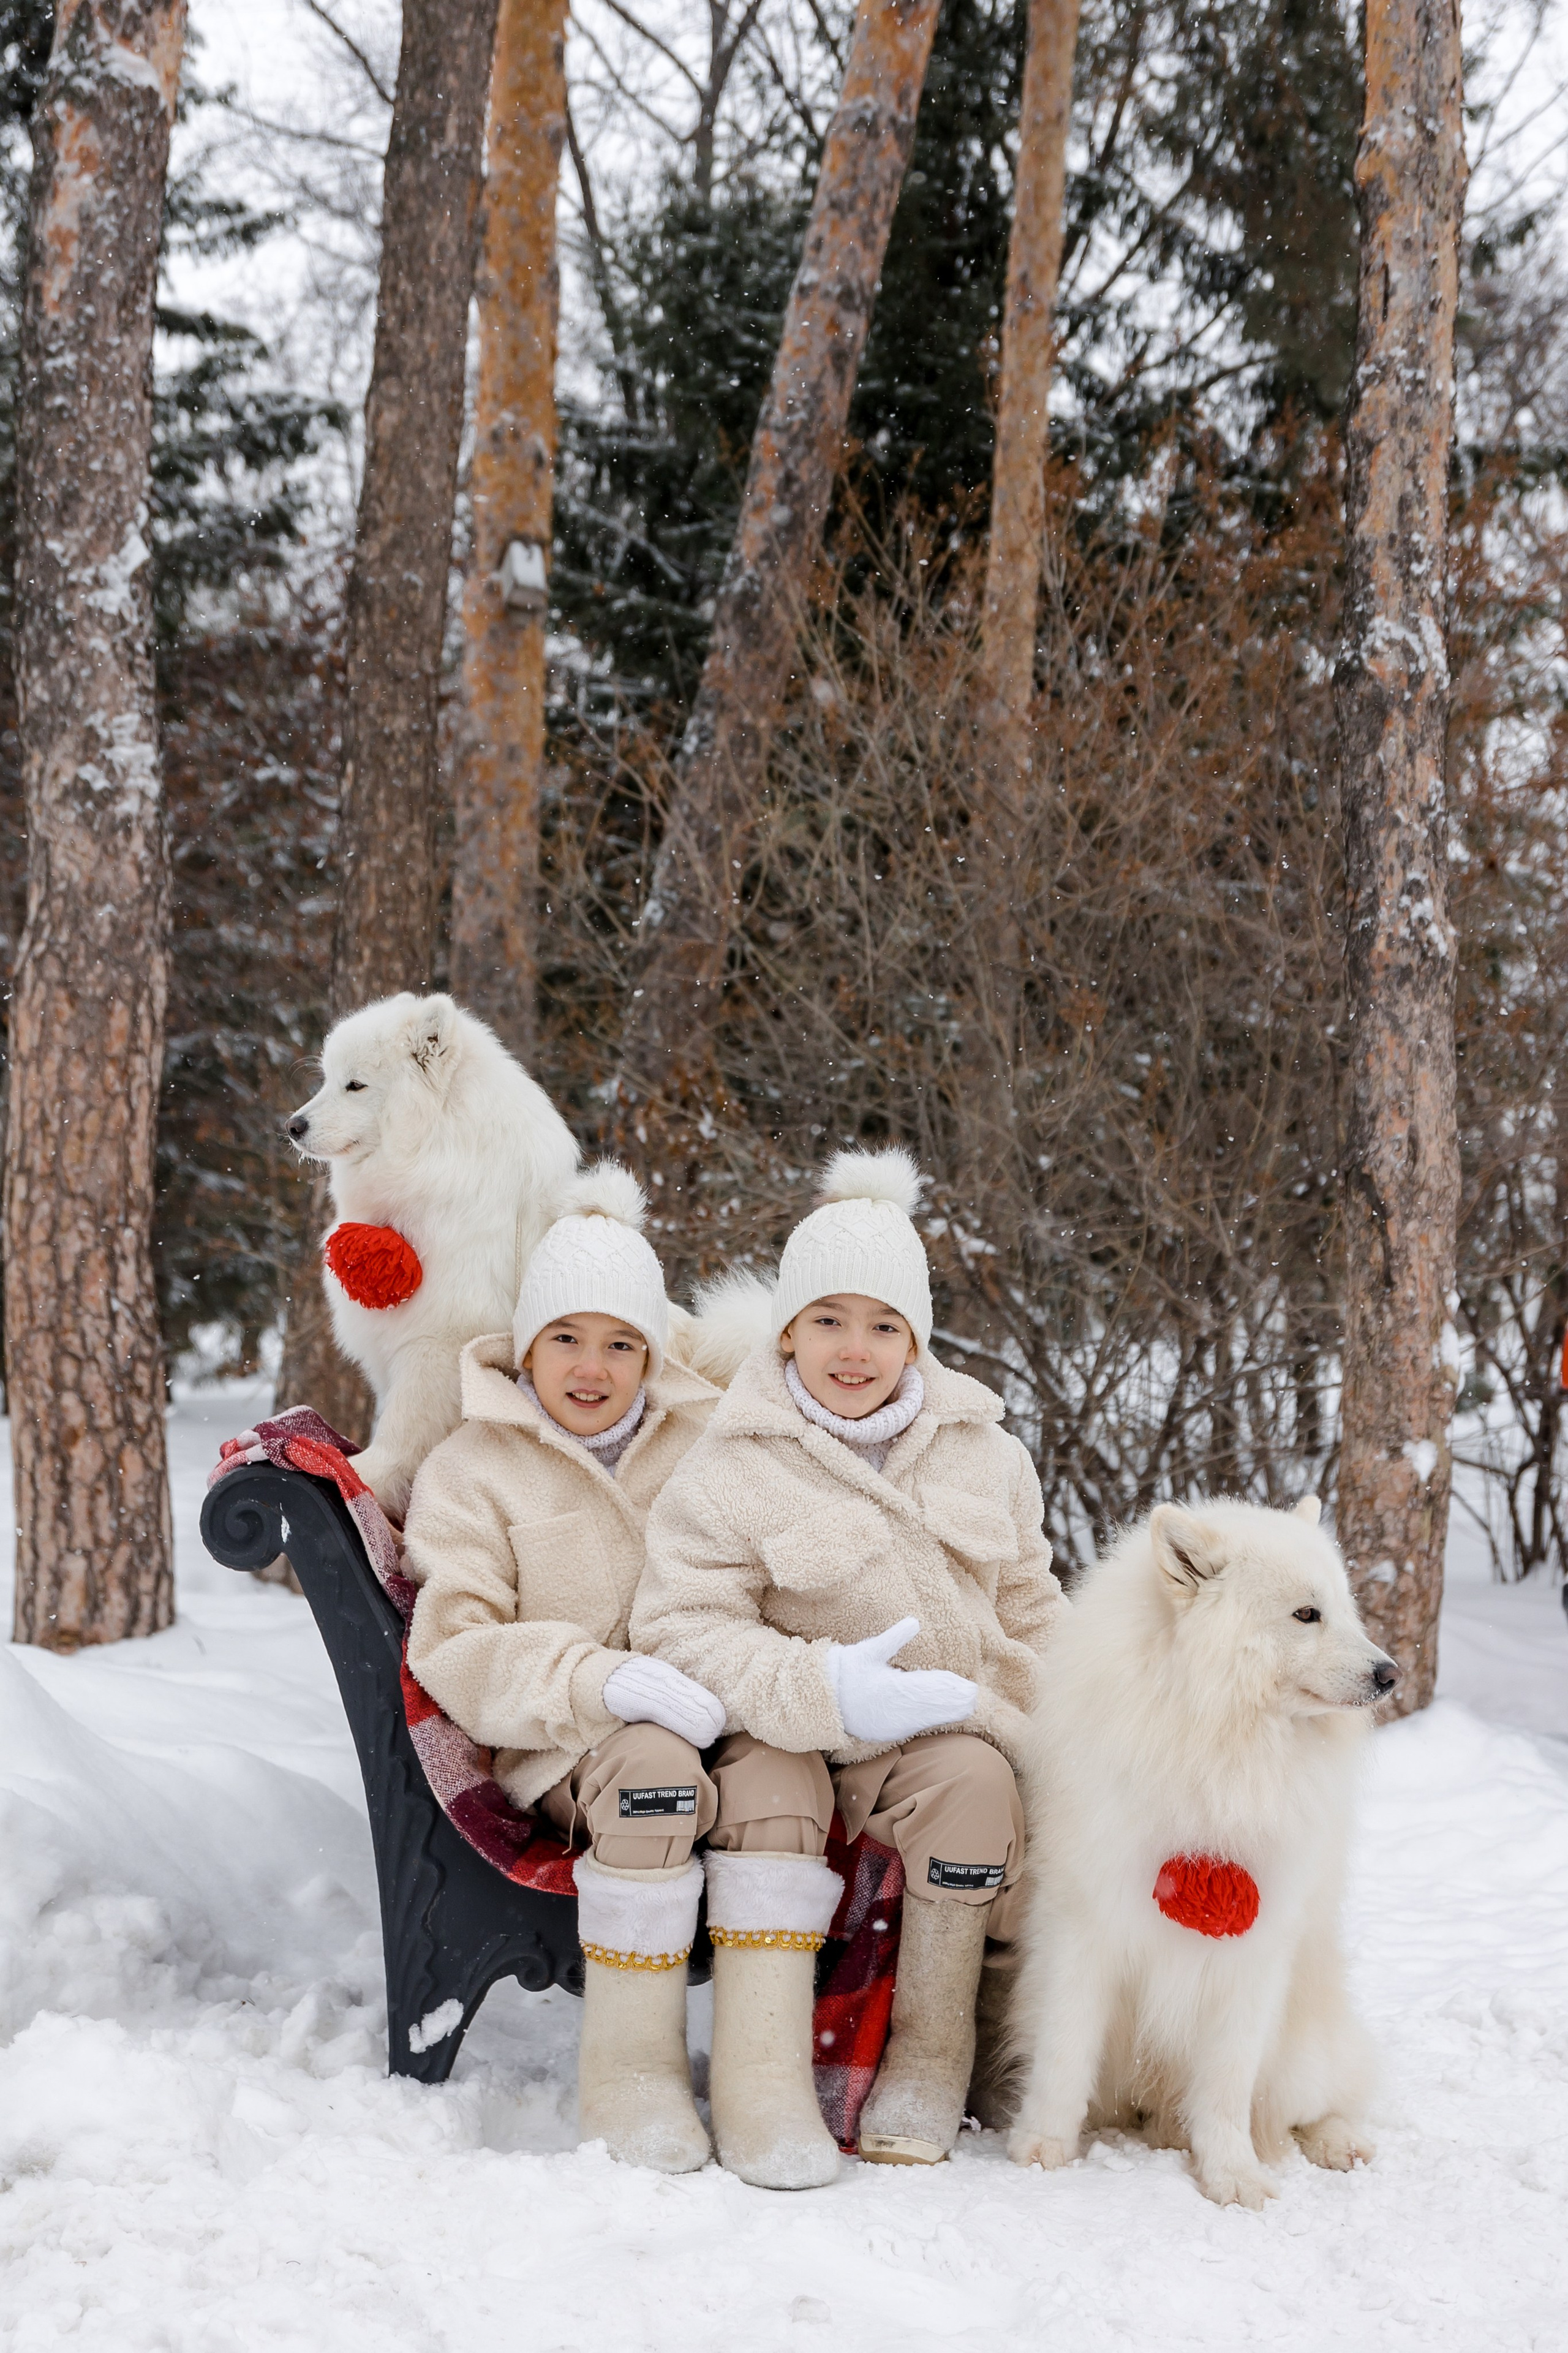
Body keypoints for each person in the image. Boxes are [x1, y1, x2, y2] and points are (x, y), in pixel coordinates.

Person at [634, 1148, 1067, 2187]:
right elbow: (682, 1625)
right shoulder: (733, 1463)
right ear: (787, 1329)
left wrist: (1068, 1714)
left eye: (884, 1324)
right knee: (967, 1778)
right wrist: (824, 1687)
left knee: (990, 1782)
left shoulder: (988, 1452)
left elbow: (1034, 1606)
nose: (856, 1348)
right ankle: (852, 2061)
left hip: (964, 1734)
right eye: (829, 1319)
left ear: (918, 1336)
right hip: (816, 1748)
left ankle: (939, 2049)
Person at [402, 1163, 726, 2175]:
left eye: (622, 1342)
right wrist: (594, 1680)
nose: (593, 1367)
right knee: (655, 1774)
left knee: (786, 1784)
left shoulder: (706, 1443)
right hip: (565, 1751)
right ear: (527, 1346)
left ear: (653, 1352)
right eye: (567, 1339)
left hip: (723, 1719)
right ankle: (631, 2073)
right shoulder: (473, 1468)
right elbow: (454, 1645)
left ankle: (767, 2072)